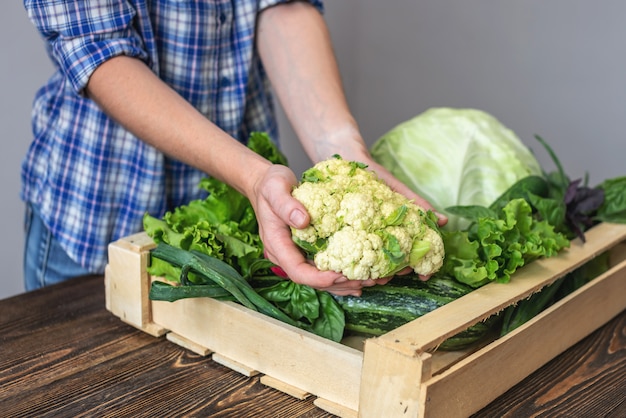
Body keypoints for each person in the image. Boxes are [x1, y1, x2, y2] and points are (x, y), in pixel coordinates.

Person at [22, 0, 445, 296]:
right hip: (96, 206)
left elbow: (282, 4)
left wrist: (339, 146)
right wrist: (254, 176)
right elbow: (97, 49)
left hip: (239, 214)